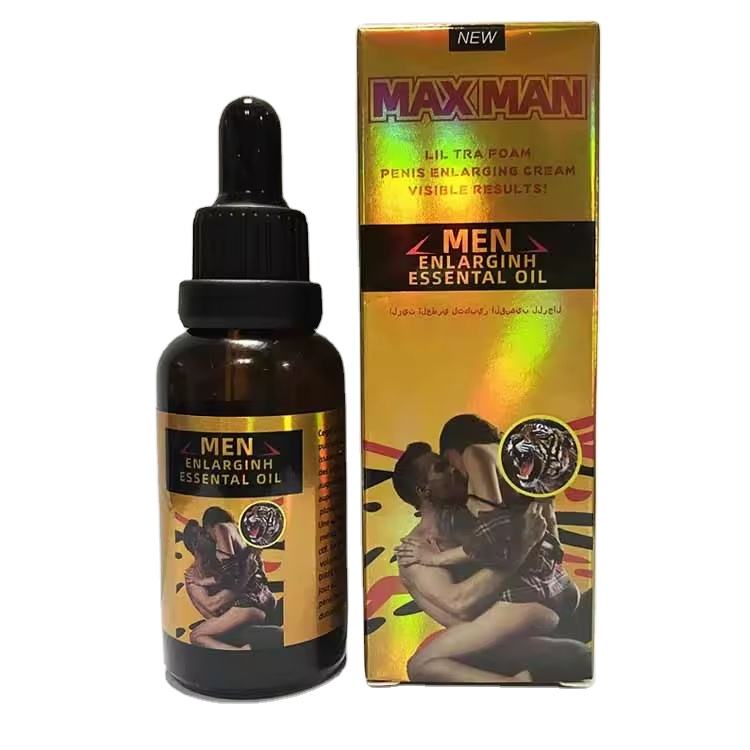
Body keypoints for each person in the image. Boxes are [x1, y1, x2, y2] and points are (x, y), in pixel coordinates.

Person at [393, 438, 589, 683]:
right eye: (441, 468)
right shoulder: (415, 550)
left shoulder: (474, 516)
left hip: (537, 621)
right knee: (578, 656)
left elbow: (547, 555)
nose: (454, 468)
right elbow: (460, 605)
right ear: (424, 491)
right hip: (493, 647)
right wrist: (522, 546)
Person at [182, 516, 273, 651]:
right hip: (232, 624)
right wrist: (245, 578)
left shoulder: (221, 559)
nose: (208, 535)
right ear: (195, 544)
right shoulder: (193, 575)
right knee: (195, 636)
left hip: (251, 613)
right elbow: (212, 606)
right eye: (203, 533)